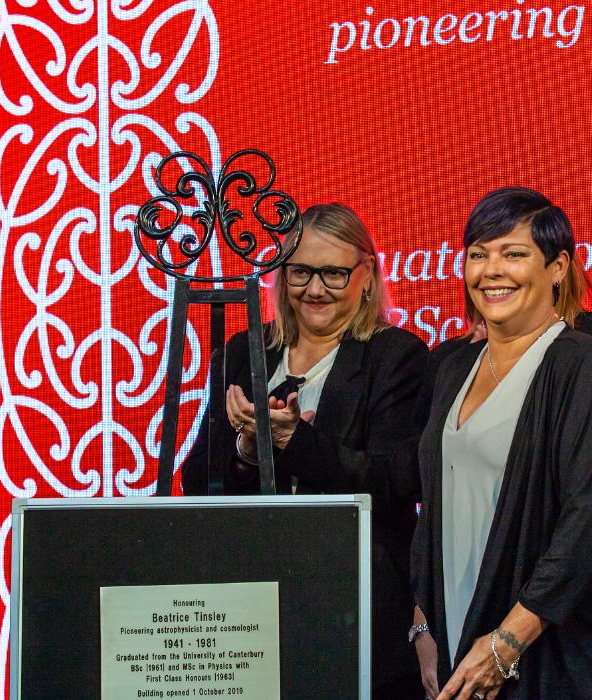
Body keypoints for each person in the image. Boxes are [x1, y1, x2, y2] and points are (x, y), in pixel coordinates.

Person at [410, 187, 592, 699]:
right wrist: (422, 622)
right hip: (460, 635)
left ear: (558, 267)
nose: (491, 270)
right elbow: (433, 505)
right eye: (478, 254)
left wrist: (507, 643)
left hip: (546, 647)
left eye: (514, 253)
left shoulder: (582, 362)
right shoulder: (452, 366)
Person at [181, 203, 428, 698]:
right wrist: (248, 452)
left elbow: (396, 481)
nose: (315, 290)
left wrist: (293, 442)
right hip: (249, 614)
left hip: (354, 607)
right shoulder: (240, 351)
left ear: (367, 275)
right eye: (300, 272)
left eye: (334, 273)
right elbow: (194, 481)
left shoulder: (396, 356)